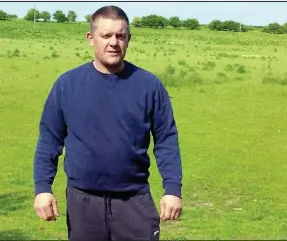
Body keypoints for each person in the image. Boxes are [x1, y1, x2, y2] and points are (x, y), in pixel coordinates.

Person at [33, 5, 183, 241]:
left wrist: (172, 189)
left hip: (134, 200)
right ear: (91, 38)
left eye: (120, 36)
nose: (114, 42)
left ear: (129, 39)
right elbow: (49, 140)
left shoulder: (148, 86)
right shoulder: (67, 85)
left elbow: (166, 139)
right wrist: (42, 188)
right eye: (106, 35)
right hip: (83, 202)